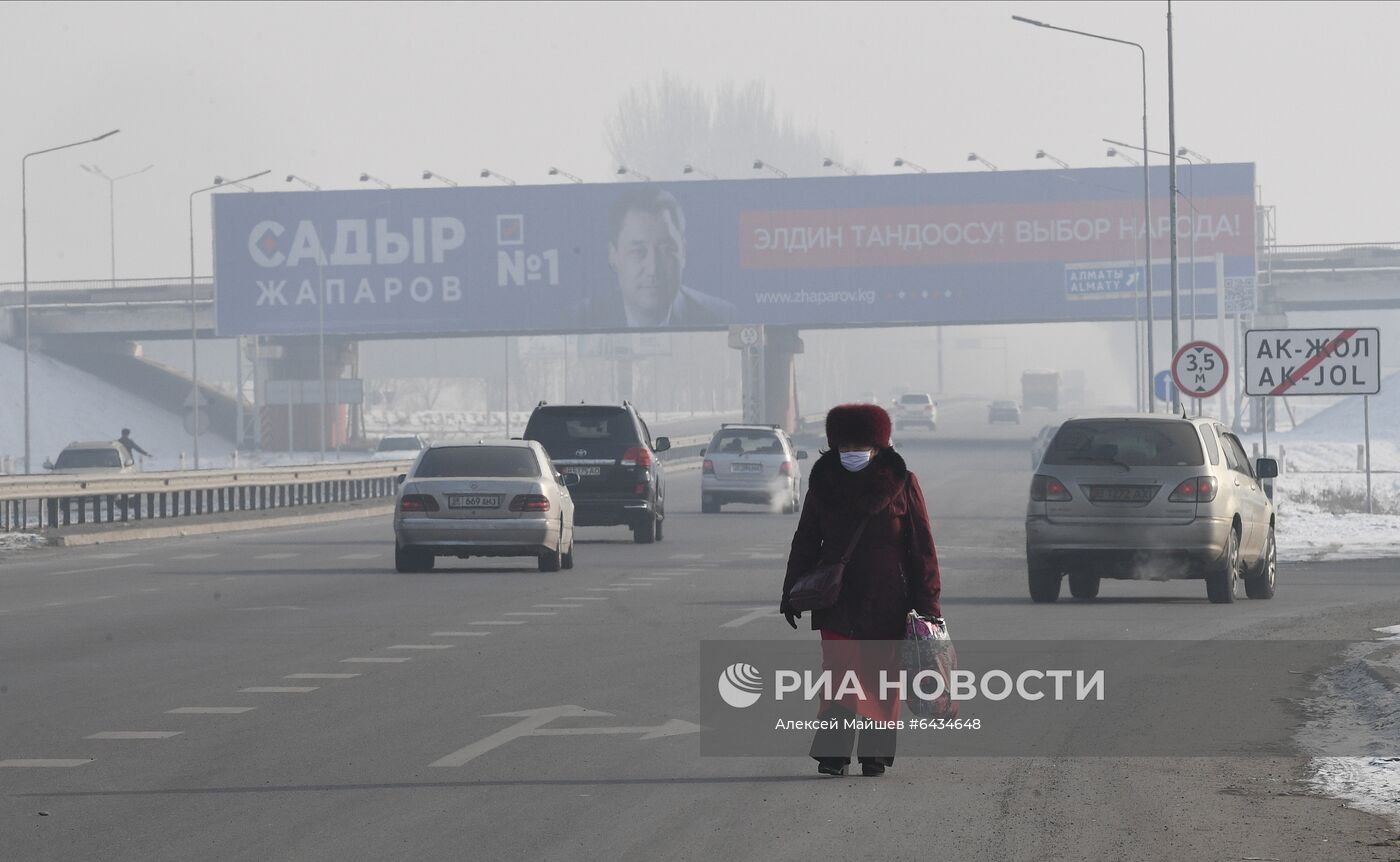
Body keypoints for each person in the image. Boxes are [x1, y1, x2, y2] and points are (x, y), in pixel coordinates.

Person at [779, 403, 942, 778]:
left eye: (861, 444)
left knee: (881, 679)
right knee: (839, 676)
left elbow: (922, 549)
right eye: (845, 445)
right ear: (833, 444)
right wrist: (791, 593)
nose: (852, 452)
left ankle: (875, 755)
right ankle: (833, 755)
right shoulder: (823, 483)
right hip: (836, 600)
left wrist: (928, 602)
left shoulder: (904, 484)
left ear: (879, 445)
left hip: (890, 601)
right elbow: (805, 541)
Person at [572, 188, 736, 329]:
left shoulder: (721, 318)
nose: (654, 268)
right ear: (613, 256)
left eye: (666, 250)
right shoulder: (579, 319)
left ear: (683, 252)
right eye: (638, 251)